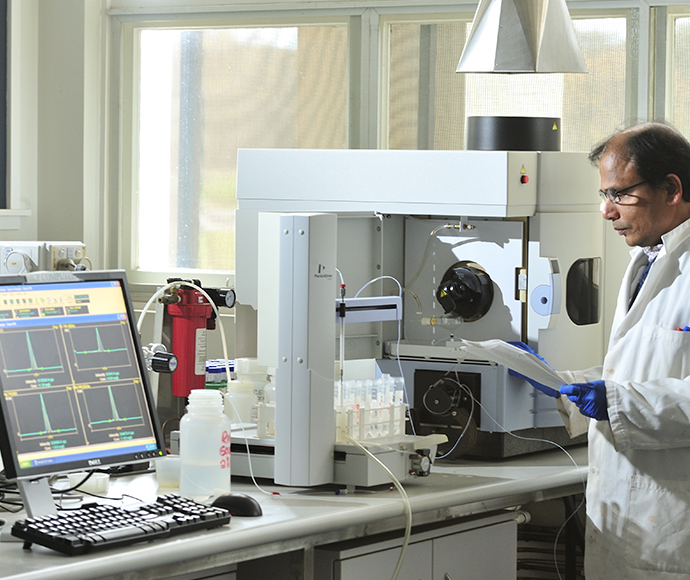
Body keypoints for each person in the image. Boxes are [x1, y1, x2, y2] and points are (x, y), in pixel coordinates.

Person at [522, 122, 690, 579]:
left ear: (671, 188)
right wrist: (566, 384)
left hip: (672, 532)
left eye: (619, 194)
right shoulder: (646, 260)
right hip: (627, 521)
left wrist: (613, 402)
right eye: (604, 195)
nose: (606, 211)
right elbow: (642, 366)